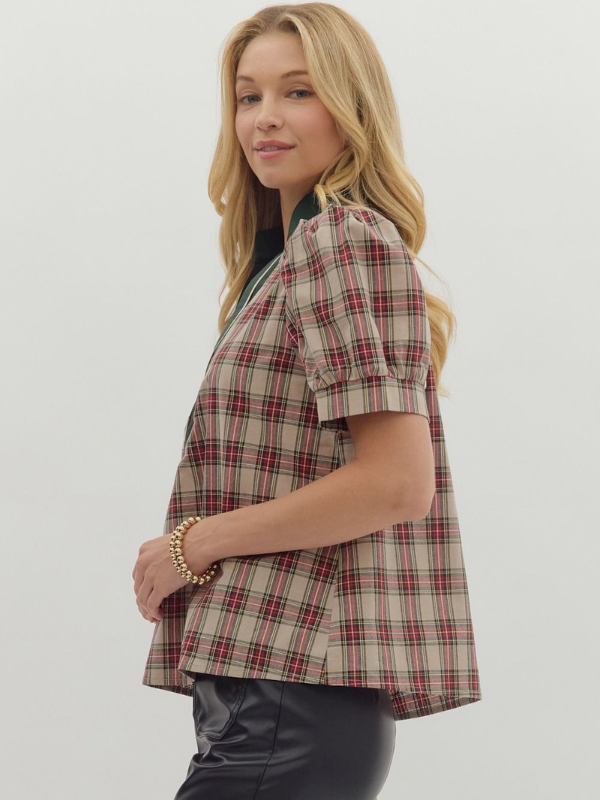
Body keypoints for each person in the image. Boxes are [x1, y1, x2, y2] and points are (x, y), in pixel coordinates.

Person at [132, 3, 482, 798]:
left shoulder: (341, 240)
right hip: (274, 694)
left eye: (297, 91)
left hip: (291, 701)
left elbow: (395, 481)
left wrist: (194, 545)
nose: (265, 119)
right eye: (248, 95)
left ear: (350, 107)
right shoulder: (286, 261)